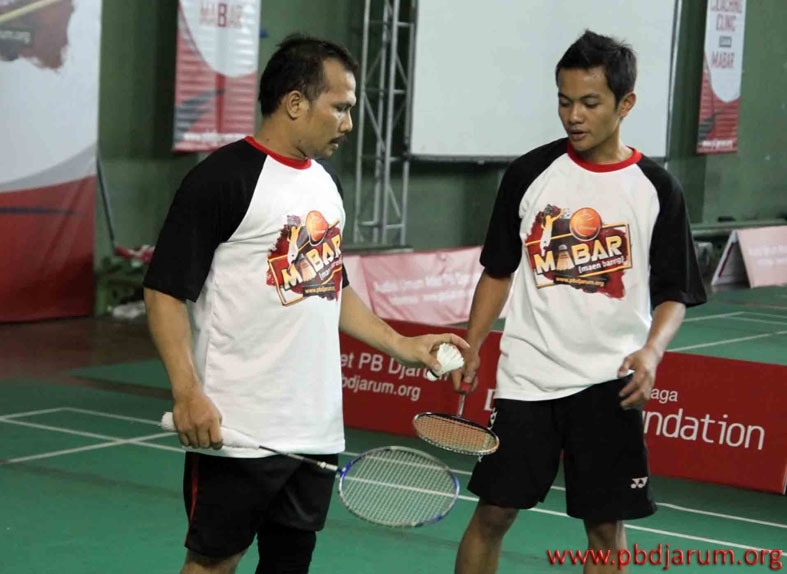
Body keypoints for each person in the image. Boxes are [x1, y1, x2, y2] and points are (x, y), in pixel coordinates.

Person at [143, 34, 467, 574]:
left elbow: (330, 284)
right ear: (295, 103)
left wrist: (402, 345)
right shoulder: (222, 179)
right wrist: (187, 392)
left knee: (290, 565)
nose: (348, 123)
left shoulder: (326, 183)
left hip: (315, 430)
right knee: (213, 564)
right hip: (238, 428)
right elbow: (164, 292)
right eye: (339, 107)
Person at [452, 30, 707, 574]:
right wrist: (471, 344)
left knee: (605, 529)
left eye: (590, 103)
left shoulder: (657, 188)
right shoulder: (528, 174)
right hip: (528, 377)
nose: (574, 116)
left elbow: (675, 293)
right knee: (493, 512)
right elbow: (498, 272)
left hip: (609, 381)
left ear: (625, 104)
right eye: (564, 101)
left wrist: (652, 352)